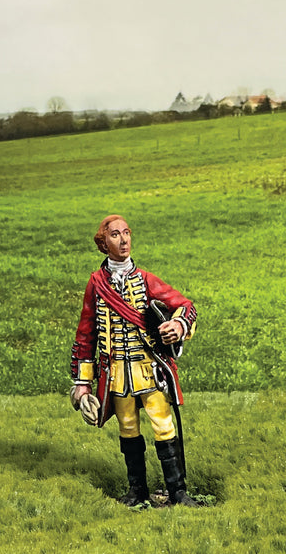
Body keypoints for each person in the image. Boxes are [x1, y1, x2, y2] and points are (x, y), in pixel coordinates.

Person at [69, 214, 199, 507]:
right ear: (103, 243)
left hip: (149, 371)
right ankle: (136, 490)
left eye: (127, 233)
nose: (124, 239)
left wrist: (176, 326)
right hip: (116, 376)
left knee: (164, 427)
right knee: (128, 429)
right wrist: (82, 383)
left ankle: (177, 491)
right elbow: (86, 334)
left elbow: (186, 307)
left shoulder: (145, 280)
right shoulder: (96, 284)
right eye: (115, 235)